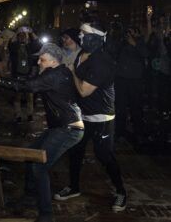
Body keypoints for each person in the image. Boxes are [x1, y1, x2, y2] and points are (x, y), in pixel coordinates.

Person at [0, 43, 84, 222]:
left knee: (39, 166)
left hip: (68, 129)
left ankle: (46, 215)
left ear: (52, 61)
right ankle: (29, 197)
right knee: (32, 155)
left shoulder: (54, 74)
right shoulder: (61, 71)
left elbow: (26, 86)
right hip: (62, 127)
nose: (39, 63)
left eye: (42, 60)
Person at [54, 21, 127, 212]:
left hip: (101, 118)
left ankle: (121, 192)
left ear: (95, 38)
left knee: (104, 155)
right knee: (75, 152)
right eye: (80, 33)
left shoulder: (102, 61)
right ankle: (74, 187)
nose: (80, 36)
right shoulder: (82, 54)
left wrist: (71, 72)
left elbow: (84, 90)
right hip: (83, 115)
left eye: (84, 34)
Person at [115, 26, 146, 145]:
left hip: (135, 81)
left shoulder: (141, 42)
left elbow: (145, 53)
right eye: (128, 31)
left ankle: (139, 133)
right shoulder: (121, 43)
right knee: (120, 109)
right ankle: (120, 133)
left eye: (132, 31)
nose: (129, 34)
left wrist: (135, 43)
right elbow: (114, 52)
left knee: (136, 108)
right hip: (121, 80)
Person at [8, 27, 41, 122]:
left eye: (24, 36)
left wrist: (31, 32)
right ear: (18, 37)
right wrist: (17, 32)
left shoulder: (29, 47)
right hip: (17, 75)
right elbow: (11, 43)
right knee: (17, 97)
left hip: (28, 76)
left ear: (27, 38)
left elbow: (38, 44)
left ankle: (30, 115)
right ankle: (18, 115)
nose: (22, 38)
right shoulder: (15, 46)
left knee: (30, 97)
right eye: (20, 36)